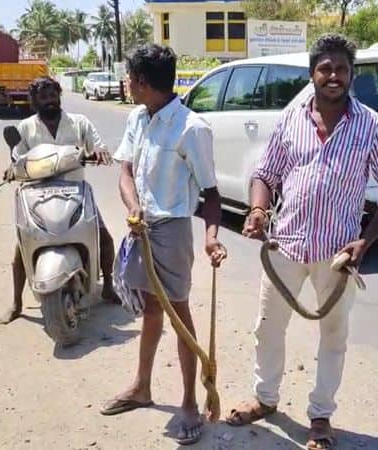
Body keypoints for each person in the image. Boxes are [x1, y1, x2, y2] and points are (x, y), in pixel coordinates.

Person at [225, 33, 378, 450]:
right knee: (267, 329)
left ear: (351, 75)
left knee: (333, 336)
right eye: (325, 68)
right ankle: (265, 398)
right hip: (285, 246)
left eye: (342, 69)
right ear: (312, 74)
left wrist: (364, 242)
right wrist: (257, 210)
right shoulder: (292, 119)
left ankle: (321, 416)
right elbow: (265, 174)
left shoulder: (371, 127)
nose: (333, 76)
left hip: (337, 254)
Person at [100, 44, 227, 446]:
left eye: (130, 77)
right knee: (152, 308)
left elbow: (210, 193)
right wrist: (133, 206)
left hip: (171, 231)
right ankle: (142, 387)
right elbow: (125, 170)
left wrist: (210, 237)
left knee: (178, 313)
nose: (127, 84)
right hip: (141, 229)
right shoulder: (138, 117)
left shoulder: (192, 128)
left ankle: (190, 402)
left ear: (141, 82)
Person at [0, 76, 119, 325]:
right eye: (43, 97)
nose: (50, 101)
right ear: (34, 101)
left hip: (75, 191)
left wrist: (99, 153)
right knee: (20, 251)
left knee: (104, 239)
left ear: (59, 96)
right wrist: (12, 169)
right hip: (37, 196)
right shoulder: (25, 128)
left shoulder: (79, 123)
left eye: (53, 96)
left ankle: (108, 285)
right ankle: (17, 303)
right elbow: (17, 159)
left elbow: (98, 146)